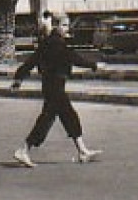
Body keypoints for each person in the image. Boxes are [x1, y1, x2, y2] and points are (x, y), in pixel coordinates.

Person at [10, 13, 101, 167]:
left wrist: (19, 77)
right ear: (57, 26)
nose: (67, 28)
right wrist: (93, 65)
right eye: (65, 25)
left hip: (52, 86)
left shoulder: (49, 42)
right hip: (54, 87)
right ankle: (24, 150)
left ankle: (82, 150)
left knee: (66, 116)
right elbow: (72, 57)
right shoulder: (55, 43)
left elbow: (32, 60)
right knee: (49, 119)